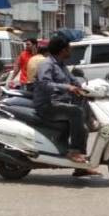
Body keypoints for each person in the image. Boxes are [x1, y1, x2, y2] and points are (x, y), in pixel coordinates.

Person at [33, 35, 89, 163]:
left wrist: (83, 88)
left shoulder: (61, 65)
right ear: (63, 50)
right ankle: (74, 151)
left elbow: (72, 80)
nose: (71, 50)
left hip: (60, 103)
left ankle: (81, 166)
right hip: (47, 105)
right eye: (69, 48)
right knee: (76, 112)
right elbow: (44, 83)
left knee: (84, 128)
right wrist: (67, 87)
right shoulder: (46, 64)